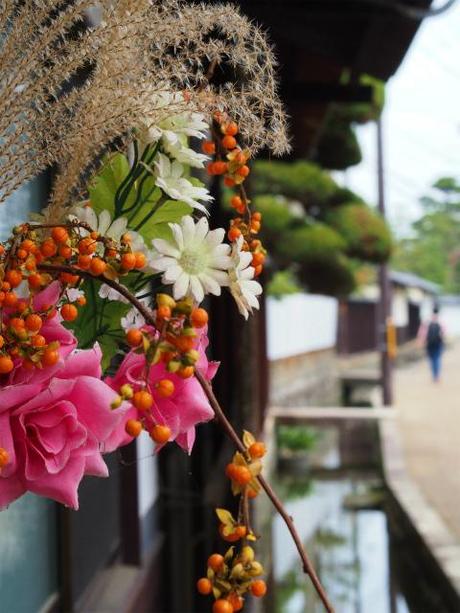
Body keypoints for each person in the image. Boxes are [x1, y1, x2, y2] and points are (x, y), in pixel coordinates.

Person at [418, 307, 445, 382]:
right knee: (437, 359)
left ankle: (434, 375)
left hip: (429, 344)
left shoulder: (427, 321)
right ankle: (437, 375)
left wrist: (421, 341)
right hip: (438, 344)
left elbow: (422, 333)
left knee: (432, 360)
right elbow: (443, 332)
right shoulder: (440, 321)